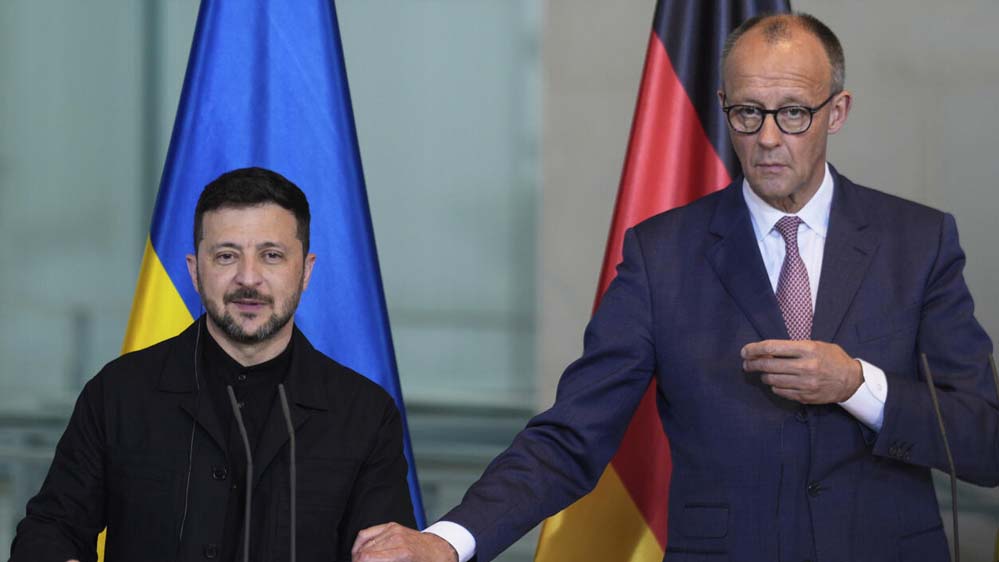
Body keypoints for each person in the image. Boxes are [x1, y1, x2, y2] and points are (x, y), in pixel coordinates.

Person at [351, 12, 999, 562]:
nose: (767, 138)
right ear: (722, 107)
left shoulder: (917, 241)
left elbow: (984, 441)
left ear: (837, 112)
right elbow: (573, 434)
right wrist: (447, 541)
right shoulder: (662, 254)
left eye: (793, 113)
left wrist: (857, 386)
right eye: (747, 113)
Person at [10, 167, 415, 562]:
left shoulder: (366, 413)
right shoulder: (118, 392)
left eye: (271, 256)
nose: (248, 278)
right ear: (194, 271)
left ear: (305, 271)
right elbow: (49, 532)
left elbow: (389, 552)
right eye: (226, 256)